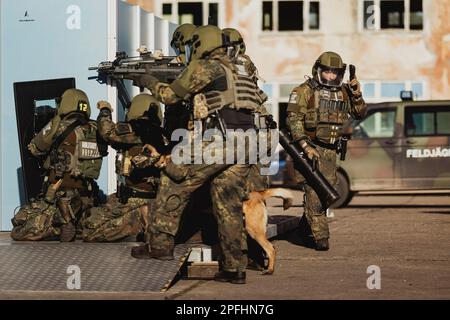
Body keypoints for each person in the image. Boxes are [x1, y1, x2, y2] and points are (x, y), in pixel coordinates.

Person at [130, 25, 267, 284]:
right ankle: (234, 267)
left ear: (203, 45)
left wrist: (147, 81)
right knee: (227, 204)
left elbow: (170, 96)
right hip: (247, 144)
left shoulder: (207, 66)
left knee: (175, 179)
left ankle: (159, 246)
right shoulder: (239, 69)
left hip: (220, 141)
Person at [286, 51, 367, 250]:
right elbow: (293, 119)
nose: (331, 76)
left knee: (329, 193)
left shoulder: (343, 92)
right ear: (318, 70)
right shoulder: (304, 91)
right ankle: (321, 238)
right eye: (327, 72)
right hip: (310, 149)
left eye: (335, 73)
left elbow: (359, 113)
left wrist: (356, 94)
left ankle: (305, 228)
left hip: (331, 151)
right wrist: (304, 144)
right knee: (315, 192)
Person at [11, 88, 106, 242]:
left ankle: (61, 224)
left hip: (60, 193)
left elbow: (34, 149)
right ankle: (79, 223)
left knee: (19, 226)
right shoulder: (96, 128)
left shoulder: (58, 125)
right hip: (87, 195)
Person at [82, 94, 164, 242]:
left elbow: (106, 131)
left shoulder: (134, 130)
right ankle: (145, 223)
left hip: (134, 199)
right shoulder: (163, 135)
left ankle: (139, 223)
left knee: (89, 230)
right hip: (151, 198)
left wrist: (105, 109)